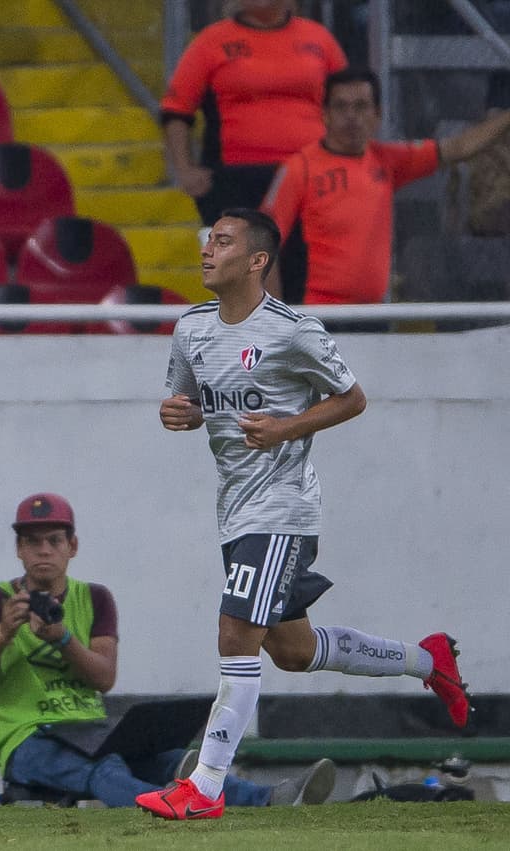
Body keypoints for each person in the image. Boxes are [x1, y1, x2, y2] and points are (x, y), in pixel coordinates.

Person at [138, 208, 470, 821]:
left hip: (282, 508)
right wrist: (180, 415)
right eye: (208, 240)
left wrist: (287, 427)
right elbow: (188, 403)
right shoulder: (191, 329)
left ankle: (204, 787)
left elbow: (353, 398)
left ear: (257, 260)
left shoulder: (294, 330)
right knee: (291, 650)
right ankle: (429, 661)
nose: (208, 250)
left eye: (223, 241)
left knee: (235, 632)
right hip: (233, 510)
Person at [0, 492, 336, 810]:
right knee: (106, 768)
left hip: (89, 729)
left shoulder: (94, 598)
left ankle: (270, 799)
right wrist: (3, 631)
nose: (44, 552)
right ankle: (172, 810)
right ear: (19, 549)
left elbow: (104, 677)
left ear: (73, 546)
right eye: (33, 542)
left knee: (169, 760)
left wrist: (62, 639)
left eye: (54, 540)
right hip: (25, 739)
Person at [261, 67, 510, 306]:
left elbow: (458, 148)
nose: (351, 116)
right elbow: (262, 242)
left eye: (360, 107)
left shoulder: (388, 161)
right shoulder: (299, 168)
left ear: (377, 115)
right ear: (324, 114)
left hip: (374, 313)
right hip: (322, 315)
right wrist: (275, 319)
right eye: (341, 107)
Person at [161, 0, 347, 227]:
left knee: (306, 261)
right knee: (248, 260)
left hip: (311, 175)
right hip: (234, 180)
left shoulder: (318, 38)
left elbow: (349, 102)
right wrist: (184, 169)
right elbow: (176, 109)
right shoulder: (211, 41)